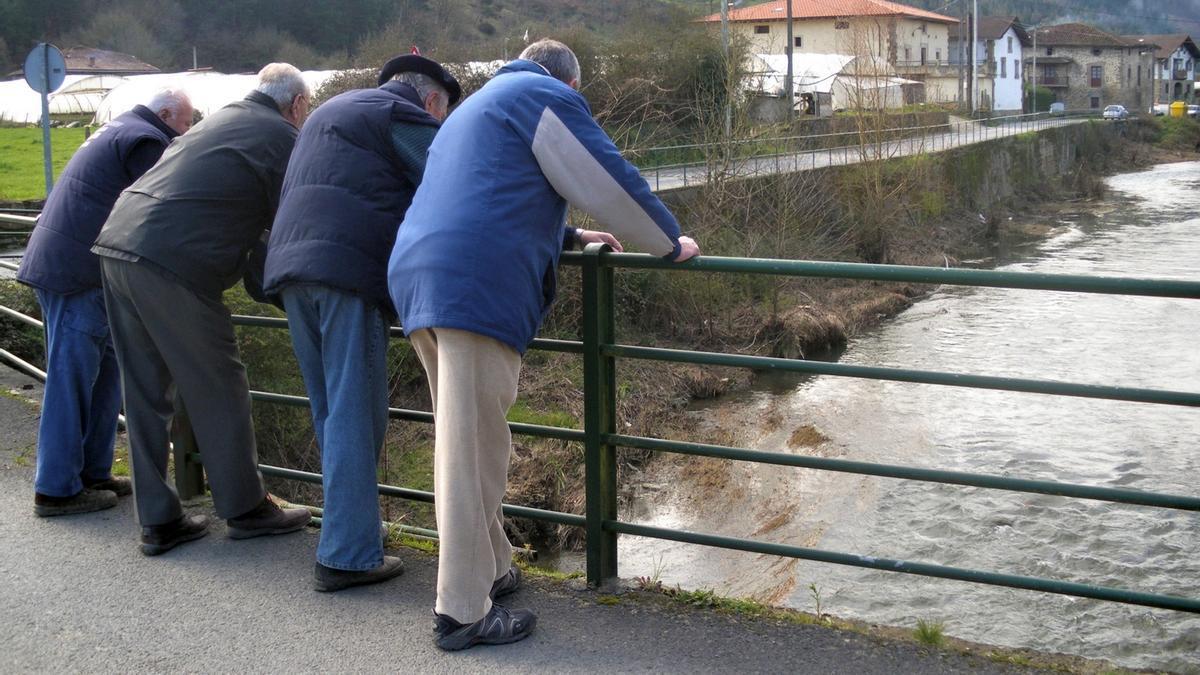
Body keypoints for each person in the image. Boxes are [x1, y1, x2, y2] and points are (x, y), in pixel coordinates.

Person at [387, 39, 700, 651]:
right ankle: (460, 613)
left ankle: (495, 567)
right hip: (473, 285)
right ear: (570, 84)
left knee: (470, 439)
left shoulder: (481, 105)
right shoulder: (542, 95)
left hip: (422, 277)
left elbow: (493, 194)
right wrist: (666, 239)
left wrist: (571, 234)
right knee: (471, 450)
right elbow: (601, 173)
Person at [92, 64, 312, 556]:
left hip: (117, 241)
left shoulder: (220, 118)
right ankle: (246, 507)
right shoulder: (281, 136)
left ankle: (158, 519)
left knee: (145, 389)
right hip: (174, 261)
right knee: (220, 382)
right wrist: (284, 297)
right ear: (296, 105)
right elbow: (288, 226)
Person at [263, 54, 461, 592]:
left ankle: (348, 536)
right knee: (355, 411)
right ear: (431, 101)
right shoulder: (403, 118)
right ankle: (347, 555)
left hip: (291, 271)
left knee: (331, 409)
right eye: (442, 115)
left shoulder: (333, 111)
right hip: (345, 272)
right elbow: (457, 190)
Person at [17, 88, 194, 517]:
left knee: (107, 371)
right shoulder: (147, 141)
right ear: (166, 114)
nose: (186, 133)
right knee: (72, 378)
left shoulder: (118, 130)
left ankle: (93, 471)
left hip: (70, 265)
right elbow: (162, 207)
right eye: (186, 123)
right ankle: (56, 489)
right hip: (81, 273)